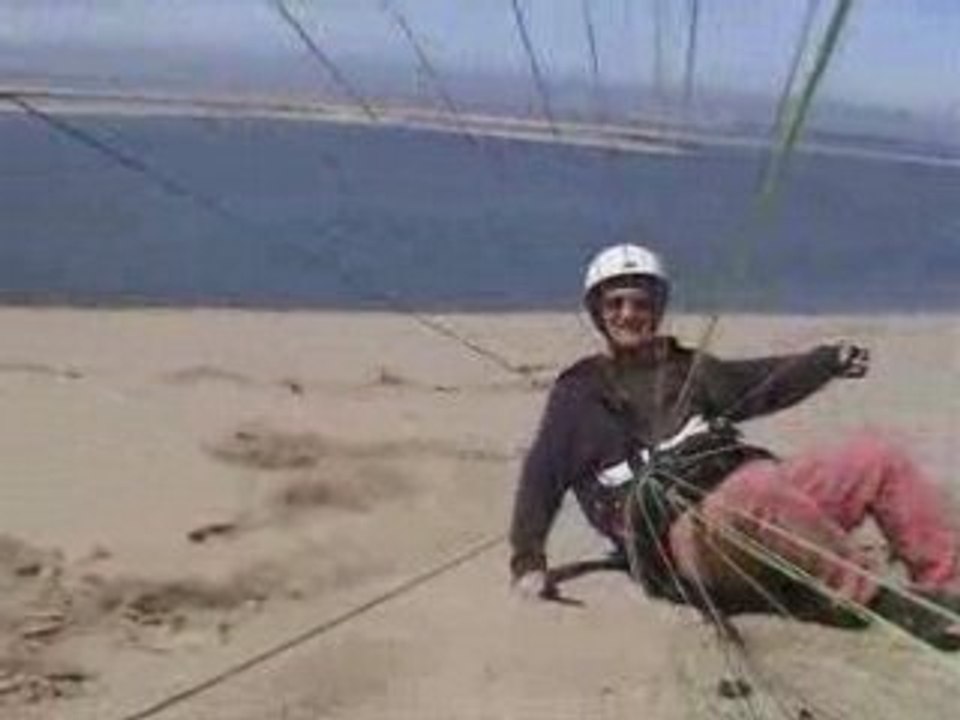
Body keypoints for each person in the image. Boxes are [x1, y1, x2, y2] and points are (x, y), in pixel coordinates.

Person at [508, 243, 960, 650]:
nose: (629, 314)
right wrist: (528, 561)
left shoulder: (690, 370)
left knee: (874, 458)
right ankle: (873, 598)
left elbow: (762, 382)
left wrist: (827, 362)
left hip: (762, 502)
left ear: (658, 308)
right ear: (597, 311)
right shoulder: (578, 394)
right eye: (615, 304)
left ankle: (948, 588)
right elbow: (541, 476)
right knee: (754, 492)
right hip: (682, 539)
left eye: (641, 303)